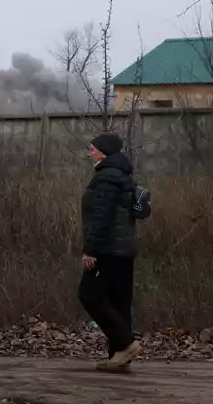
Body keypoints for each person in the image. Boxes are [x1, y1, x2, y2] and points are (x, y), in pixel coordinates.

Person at [79, 132, 142, 372]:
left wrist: (90, 249)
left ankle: (125, 344)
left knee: (89, 294)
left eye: (92, 148)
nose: (89, 152)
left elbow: (101, 217)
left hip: (108, 248)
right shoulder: (123, 175)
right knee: (119, 301)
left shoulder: (106, 178)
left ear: (103, 152)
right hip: (125, 247)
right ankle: (119, 357)